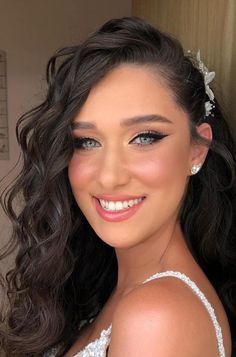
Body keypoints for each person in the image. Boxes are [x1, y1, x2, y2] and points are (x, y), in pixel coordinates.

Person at [0, 16, 235, 357]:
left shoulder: (158, 318)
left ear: (197, 150)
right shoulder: (111, 287)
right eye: (86, 141)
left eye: (144, 137)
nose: (109, 177)